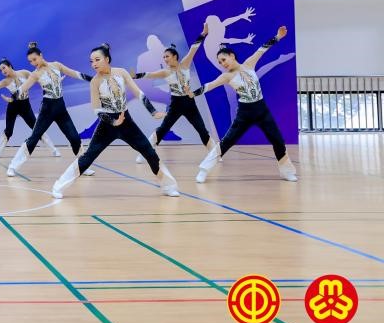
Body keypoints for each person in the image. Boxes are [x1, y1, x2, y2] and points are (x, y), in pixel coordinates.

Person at [50, 43, 180, 199]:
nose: (94, 64)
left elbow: (139, 93)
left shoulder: (121, 73)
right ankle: (58, 186)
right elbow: (97, 109)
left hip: (127, 122)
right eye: (91, 61)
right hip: (107, 124)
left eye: (97, 60)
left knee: (149, 152)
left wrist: (153, 111)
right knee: (88, 157)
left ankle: (169, 186)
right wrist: (113, 122)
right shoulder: (95, 81)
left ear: (107, 59)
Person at [194, 26, 298, 183]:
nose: (222, 64)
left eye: (224, 60)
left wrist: (277, 37)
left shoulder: (249, 64)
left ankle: (287, 171)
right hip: (245, 113)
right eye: (220, 62)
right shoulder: (226, 76)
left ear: (232, 56)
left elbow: (263, 49)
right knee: (227, 141)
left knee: (277, 140)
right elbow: (209, 86)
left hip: (262, 110)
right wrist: (193, 93)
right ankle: (204, 170)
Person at [6, 42, 91, 177]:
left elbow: (74, 73)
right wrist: (12, 97)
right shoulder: (35, 74)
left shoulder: (57, 65)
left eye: (34, 59)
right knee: (34, 138)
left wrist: (92, 79)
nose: (33, 63)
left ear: (41, 55)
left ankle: (83, 166)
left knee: (74, 138)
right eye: (30, 61)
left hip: (61, 108)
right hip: (47, 109)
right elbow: (23, 88)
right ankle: (12, 166)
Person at [133, 23, 216, 160]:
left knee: (201, 129)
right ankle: (145, 153)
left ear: (175, 56)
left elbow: (194, 48)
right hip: (176, 104)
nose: (165, 59)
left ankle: (215, 154)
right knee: (163, 129)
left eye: (167, 56)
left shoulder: (185, 64)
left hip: (189, 103)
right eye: (164, 57)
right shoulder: (165, 72)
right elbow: (149, 74)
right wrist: (134, 76)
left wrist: (203, 34)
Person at [0, 58, 60, 158]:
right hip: (13, 106)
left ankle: (54, 150)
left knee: (36, 128)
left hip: (25, 106)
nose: (3, 71)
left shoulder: (24, 73)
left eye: (4, 68)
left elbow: (37, 78)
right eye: (1, 70)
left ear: (9, 66)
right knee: (9, 131)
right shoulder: (5, 81)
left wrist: (51, 83)